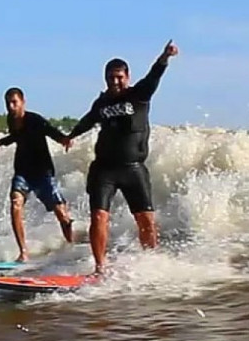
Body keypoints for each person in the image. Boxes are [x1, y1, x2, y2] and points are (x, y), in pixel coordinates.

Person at [67, 39, 178, 275]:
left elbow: (154, 76)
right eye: (110, 77)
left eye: (119, 77)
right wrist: (70, 136)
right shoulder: (101, 102)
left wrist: (164, 57)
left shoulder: (139, 95)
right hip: (104, 169)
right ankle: (99, 268)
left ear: (127, 77)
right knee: (98, 216)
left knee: (145, 220)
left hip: (133, 169)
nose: (115, 81)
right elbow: (88, 119)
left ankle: (150, 264)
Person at [0, 87, 75, 261]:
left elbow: (50, 130)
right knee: (15, 203)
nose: (11, 107)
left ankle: (70, 244)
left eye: (14, 103)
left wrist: (63, 139)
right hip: (23, 171)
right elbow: (16, 137)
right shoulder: (11, 120)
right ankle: (23, 252)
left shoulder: (35, 120)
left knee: (62, 215)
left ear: (23, 102)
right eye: (8, 103)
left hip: (43, 172)